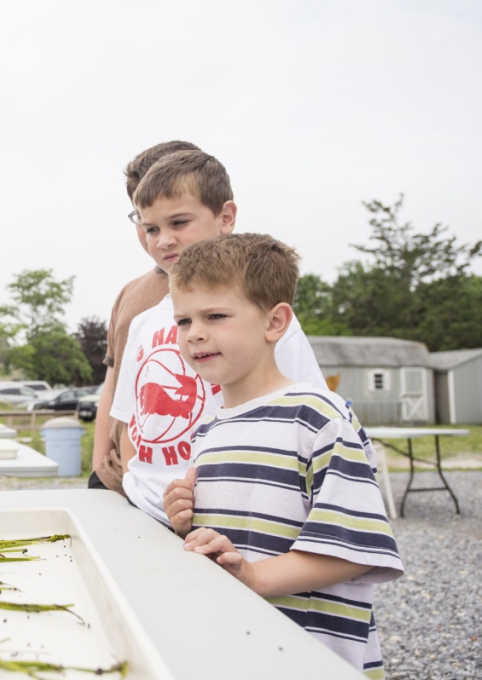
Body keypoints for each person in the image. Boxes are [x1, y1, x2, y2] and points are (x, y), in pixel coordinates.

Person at [162, 233, 402, 677]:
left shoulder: (316, 417)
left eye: (215, 315)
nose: (194, 333)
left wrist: (255, 578)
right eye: (183, 321)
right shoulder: (210, 429)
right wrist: (186, 522)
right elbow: (230, 543)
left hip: (313, 659)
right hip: (243, 651)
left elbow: (355, 548)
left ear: (275, 322)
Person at [108, 150, 326, 525]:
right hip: (145, 512)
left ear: (225, 217)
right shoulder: (143, 323)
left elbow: (311, 417)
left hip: (226, 519)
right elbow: (130, 423)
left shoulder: (261, 317)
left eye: (179, 222)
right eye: (152, 228)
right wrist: (136, 481)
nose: (163, 240)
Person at [91, 141, 200, 495]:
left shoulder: (237, 289)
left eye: (177, 219)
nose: (160, 235)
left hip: (185, 488)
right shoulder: (130, 295)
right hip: (119, 477)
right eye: (144, 218)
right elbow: (112, 385)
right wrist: (98, 467)